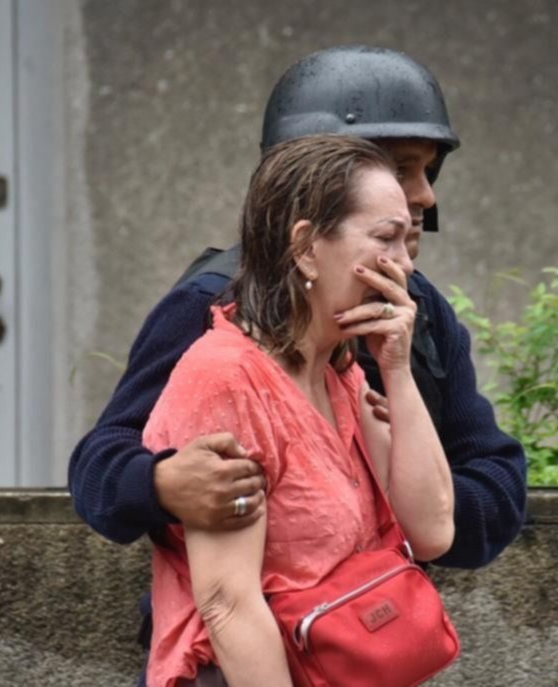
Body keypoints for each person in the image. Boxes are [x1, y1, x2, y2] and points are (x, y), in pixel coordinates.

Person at [66, 46, 527, 681]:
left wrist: (397, 480)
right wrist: (165, 485)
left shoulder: (401, 321)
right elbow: (102, 462)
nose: (421, 194)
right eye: (399, 169)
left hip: (361, 646)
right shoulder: (212, 311)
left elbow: (485, 489)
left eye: (426, 172)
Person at [143, 134, 455, 686]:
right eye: (387, 238)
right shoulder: (227, 380)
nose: (404, 265)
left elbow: (431, 530)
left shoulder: (342, 369)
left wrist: (399, 370)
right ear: (307, 247)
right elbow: (228, 606)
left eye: (407, 242)